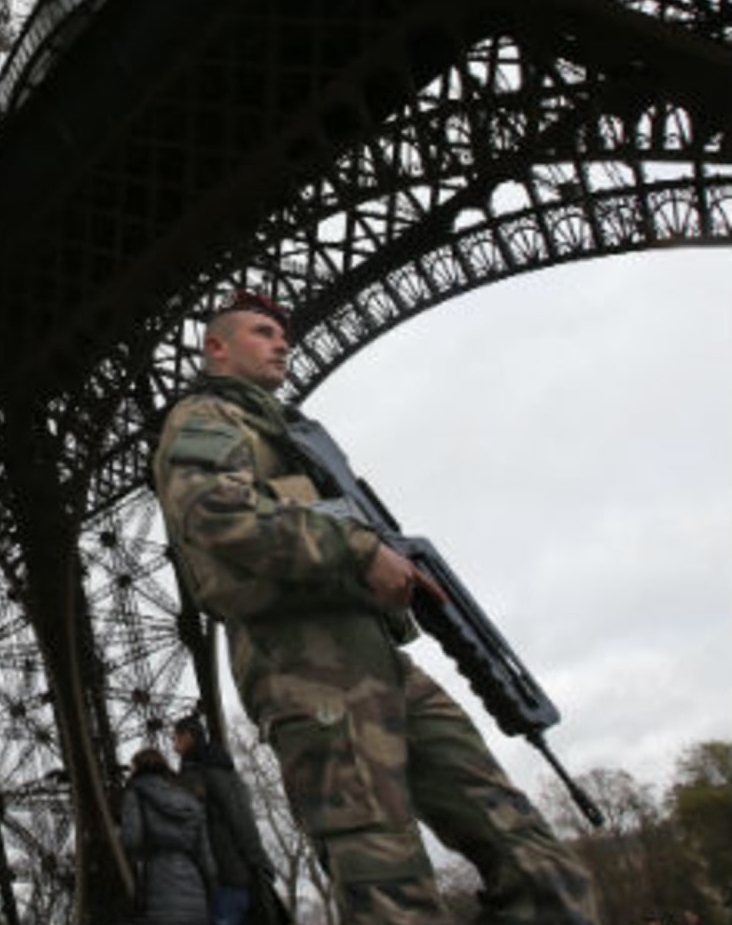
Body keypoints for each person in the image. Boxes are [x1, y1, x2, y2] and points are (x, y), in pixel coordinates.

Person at [151, 290, 598, 923]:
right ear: (216, 347)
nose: (282, 341)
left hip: (380, 659)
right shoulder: (206, 418)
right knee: (385, 876)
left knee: (532, 854)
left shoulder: (288, 432)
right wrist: (360, 551)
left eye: (284, 333)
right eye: (262, 331)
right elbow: (217, 515)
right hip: (306, 671)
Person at [172, 713, 276, 925]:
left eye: (176, 737)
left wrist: (258, 861)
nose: (173, 743)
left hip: (225, 876)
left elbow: (237, 818)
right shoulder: (219, 769)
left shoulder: (202, 772)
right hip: (233, 874)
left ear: (188, 737)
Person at [121, 746, 216, 924]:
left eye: (132, 766)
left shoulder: (135, 792)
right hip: (195, 891)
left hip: (157, 887)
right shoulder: (190, 798)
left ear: (139, 767)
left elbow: (131, 839)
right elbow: (207, 860)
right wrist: (210, 896)